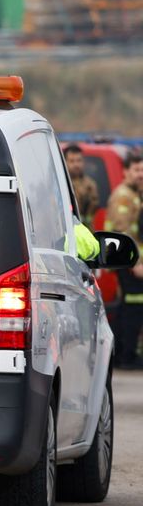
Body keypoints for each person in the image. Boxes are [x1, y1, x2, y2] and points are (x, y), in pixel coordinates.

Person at [106, 154, 143, 369]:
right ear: (126, 171)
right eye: (137, 170)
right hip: (127, 261)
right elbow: (124, 232)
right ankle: (125, 356)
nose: (140, 175)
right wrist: (136, 264)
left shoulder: (133, 195)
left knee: (128, 307)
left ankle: (123, 354)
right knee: (132, 307)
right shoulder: (123, 196)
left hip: (130, 261)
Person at [64, 144, 99, 228]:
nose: (76, 165)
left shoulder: (90, 185)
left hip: (86, 232)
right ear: (65, 162)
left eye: (79, 160)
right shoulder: (61, 185)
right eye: (72, 161)